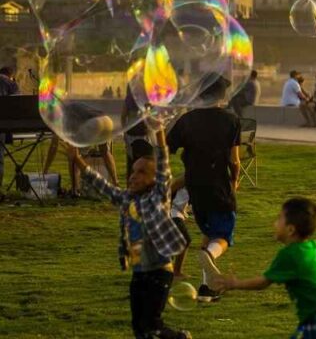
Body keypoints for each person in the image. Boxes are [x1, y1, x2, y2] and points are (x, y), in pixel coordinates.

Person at [70, 127, 191, 339]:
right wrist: (78, 160)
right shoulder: (127, 200)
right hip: (139, 272)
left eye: (142, 172)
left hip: (159, 271)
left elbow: (163, 163)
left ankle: (180, 338)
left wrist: (160, 132)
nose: (134, 176)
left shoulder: (158, 198)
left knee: (152, 326)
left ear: (155, 180)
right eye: (133, 171)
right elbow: (102, 186)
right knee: (138, 327)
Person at [211, 197, 316, 339]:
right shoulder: (313, 245)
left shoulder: (289, 255)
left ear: (290, 229)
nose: (274, 223)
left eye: (279, 219)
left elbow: (263, 282)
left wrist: (235, 284)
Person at [166, 77, 241, 303]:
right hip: (219, 185)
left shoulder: (186, 120)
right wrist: (235, 182)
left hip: (194, 188)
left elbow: (165, 149)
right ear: (221, 96)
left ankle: (206, 289)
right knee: (223, 236)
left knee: (208, 232)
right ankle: (208, 254)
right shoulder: (231, 120)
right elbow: (234, 160)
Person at [169, 177, 192, 280]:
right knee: (184, 239)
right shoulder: (185, 178)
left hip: (179, 213)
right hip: (172, 211)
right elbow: (168, 190)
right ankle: (176, 271)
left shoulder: (202, 177)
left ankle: (173, 270)